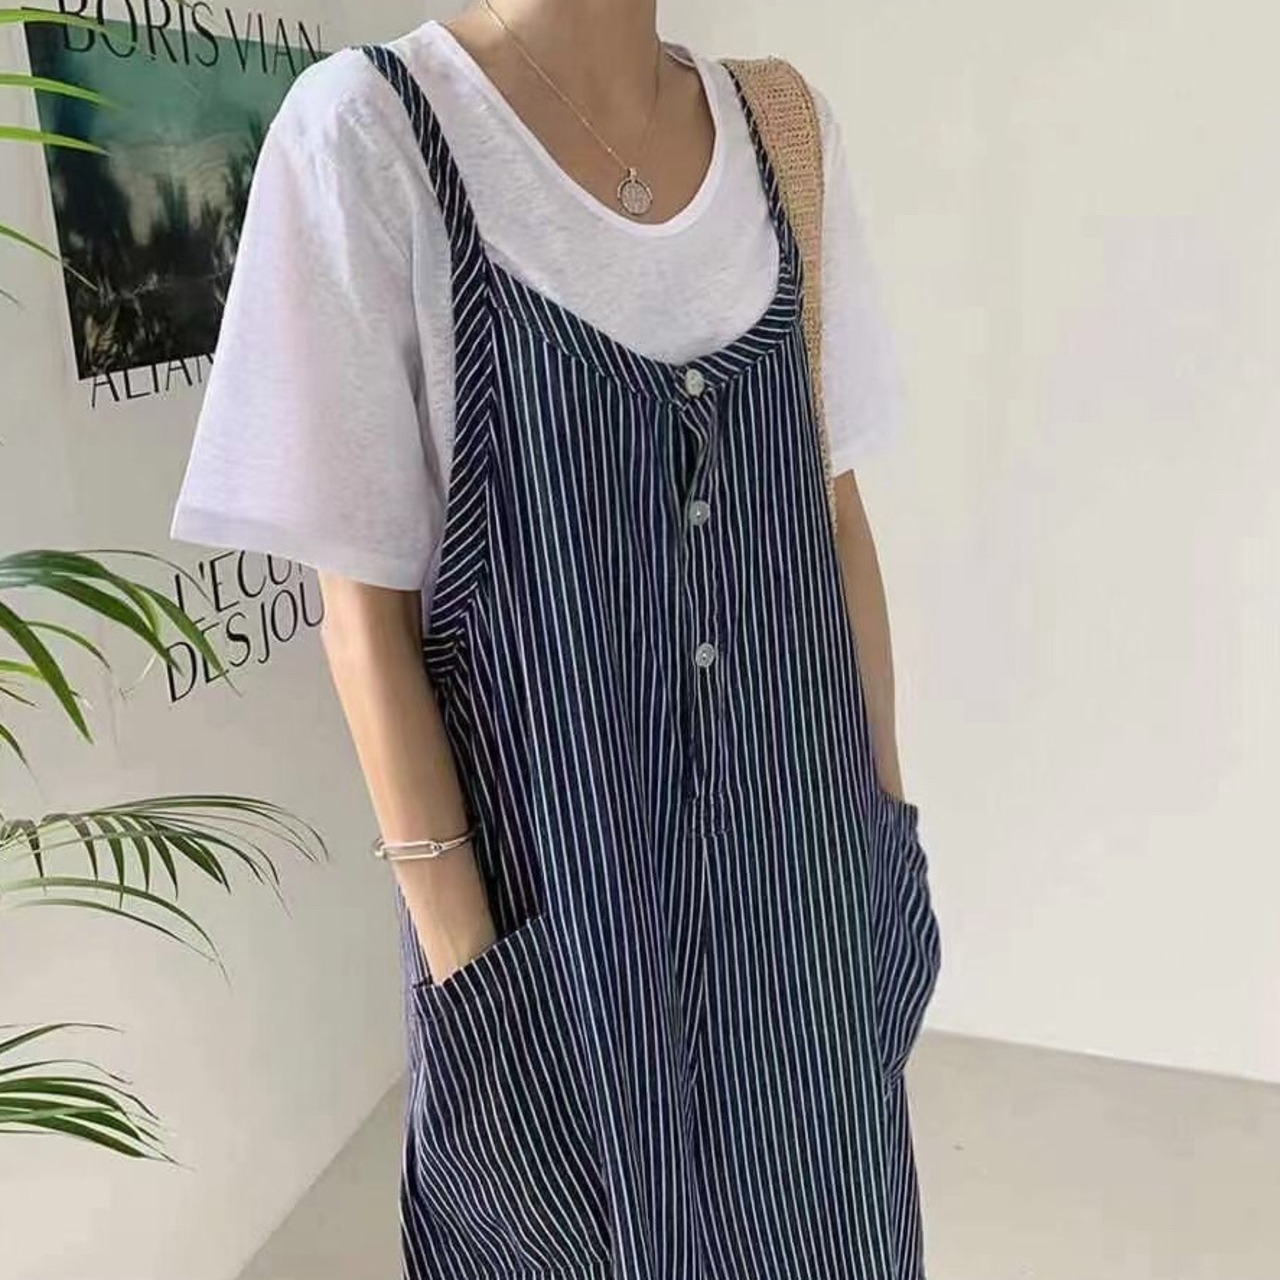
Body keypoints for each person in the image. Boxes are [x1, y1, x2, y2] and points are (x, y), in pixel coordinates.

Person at [171, 2, 942, 1276]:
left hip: (813, 910)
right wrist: (473, 980)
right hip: (559, 942)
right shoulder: (371, 134)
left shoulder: (781, 132)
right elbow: (362, 617)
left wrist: (884, 833)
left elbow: (835, 518)